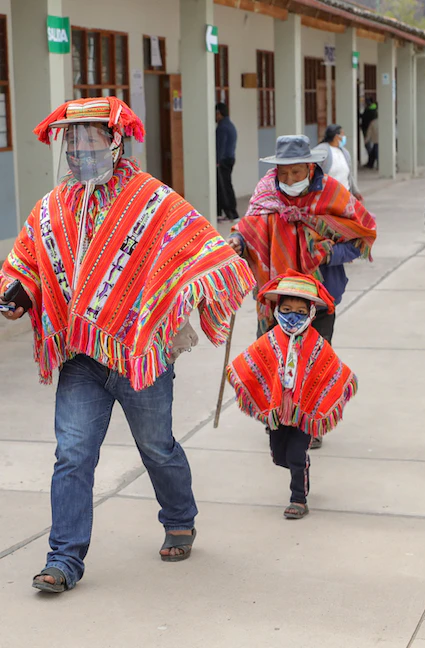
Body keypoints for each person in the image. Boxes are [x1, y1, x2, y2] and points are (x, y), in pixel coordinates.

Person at [0, 97, 255, 593]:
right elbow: (28, 264)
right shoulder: (54, 206)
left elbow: (196, 245)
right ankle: (63, 559)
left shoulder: (152, 201)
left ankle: (179, 516)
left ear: (116, 140)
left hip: (143, 355)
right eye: (72, 141)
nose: (79, 150)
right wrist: (19, 296)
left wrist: (224, 258)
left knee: (156, 448)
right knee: (72, 454)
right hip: (81, 356)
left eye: (90, 138)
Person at [227, 135, 376, 446]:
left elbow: (361, 234)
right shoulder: (267, 193)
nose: (289, 179)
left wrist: (329, 254)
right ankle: (277, 418)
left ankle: (309, 423)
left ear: (311, 167)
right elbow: (249, 226)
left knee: (312, 359)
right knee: (273, 359)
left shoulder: (333, 194)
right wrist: (239, 243)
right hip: (275, 300)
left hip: (319, 298)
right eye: (283, 173)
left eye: (296, 172)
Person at [227, 271, 357, 520]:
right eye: (286, 309)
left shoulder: (316, 344)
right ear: (277, 310)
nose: (292, 316)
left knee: (297, 455)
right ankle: (300, 468)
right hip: (277, 410)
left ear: (310, 313)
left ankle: (298, 497)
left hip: (303, 410)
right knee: (279, 456)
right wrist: (239, 375)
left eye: (299, 312)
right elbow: (252, 364)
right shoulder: (270, 340)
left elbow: (331, 371)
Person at [314, 124, 363, 200]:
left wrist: (355, 191)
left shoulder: (345, 152)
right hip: (328, 195)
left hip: (345, 194)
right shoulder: (321, 151)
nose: (344, 137)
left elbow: (350, 175)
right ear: (337, 136)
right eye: (342, 134)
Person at [215, 102, 239, 221]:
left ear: (219, 113)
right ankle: (220, 212)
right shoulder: (230, 125)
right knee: (221, 186)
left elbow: (220, 146)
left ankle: (232, 213)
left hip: (223, 161)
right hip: (229, 159)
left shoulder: (222, 127)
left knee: (225, 187)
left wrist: (217, 161)